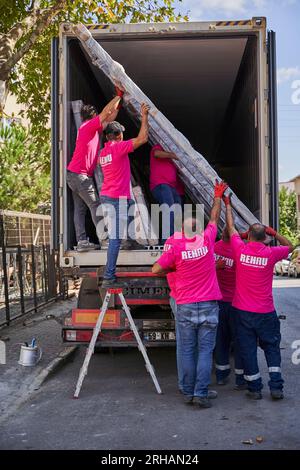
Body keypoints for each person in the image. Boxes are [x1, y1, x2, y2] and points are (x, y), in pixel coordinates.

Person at [152, 180, 228, 409]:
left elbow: (156, 269)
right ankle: (201, 393)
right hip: (208, 305)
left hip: (184, 304)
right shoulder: (207, 240)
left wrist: (174, 266)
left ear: (182, 231)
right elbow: (214, 218)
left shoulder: (176, 247)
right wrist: (217, 196)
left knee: (186, 350)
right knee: (205, 351)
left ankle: (187, 391)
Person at [225, 194, 294, 400]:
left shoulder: (240, 248)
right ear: (265, 237)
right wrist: (275, 232)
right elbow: (290, 246)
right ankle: (276, 388)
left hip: (242, 311)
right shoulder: (270, 253)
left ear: (248, 237)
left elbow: (230, 229)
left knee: (247, 350)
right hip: (265, 312)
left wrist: (228, 205)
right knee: (272, 348)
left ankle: (254, 389)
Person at [100, 103, 150, 288]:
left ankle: (133, 242)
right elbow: (143, 138)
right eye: (121, 134)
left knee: (131, 209)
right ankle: (109, 276)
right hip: (116, 198)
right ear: (117, 136)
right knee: (115, 237)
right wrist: (144, 116)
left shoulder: (104, 152)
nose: (123, 137)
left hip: (112, 195)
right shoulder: (118, 148)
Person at [67, 96, 121, 252]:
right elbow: (105, 113)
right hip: (80, 176)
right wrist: (117, 95)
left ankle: (82, 241)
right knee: (95, 205)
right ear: (92, 116)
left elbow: (110, 116)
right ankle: (104, 240)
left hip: (74, 175)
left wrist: (119, 101)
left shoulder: (92, 129)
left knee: (80, 209)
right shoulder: (87, 127)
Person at [214, 228, 247, 390]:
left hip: (218, 302)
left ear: (221, 234)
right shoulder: (240, 250)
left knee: (220, 340)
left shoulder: (212, 248)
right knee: (239, 340)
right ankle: (240, 378)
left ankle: (221, 375)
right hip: (236, 303)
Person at [150, 144, 183, 240]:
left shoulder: (171, 159)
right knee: (169, 211)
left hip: (172, 187)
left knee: (177, 212)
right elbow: (156, 153)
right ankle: (167, 241)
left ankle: (176, 238)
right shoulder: (160, 146)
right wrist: (173, 155)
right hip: (161, 184)